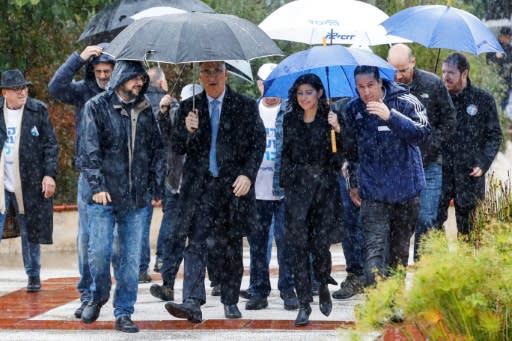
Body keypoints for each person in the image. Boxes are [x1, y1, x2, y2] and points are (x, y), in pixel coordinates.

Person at [164, 61, 265, 322]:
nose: (211, 77)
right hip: (199, 188)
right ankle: (192, 302)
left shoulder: (244, 105)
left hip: (232, 187)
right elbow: (176, 147)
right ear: (200, 75)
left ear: (225, 74)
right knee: (195, 243)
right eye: (206, 72)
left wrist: (248, 175)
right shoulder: (189, 107)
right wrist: (187, 130)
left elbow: (258, 144)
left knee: (230, 245)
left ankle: (230, 300)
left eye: (216, 71)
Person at [79, 60, 164, 333]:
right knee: (100, 252)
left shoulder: (146, 109)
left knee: (129, 261)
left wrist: (155, 186)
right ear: (122, 77)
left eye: (142, 78)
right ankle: (98, 293)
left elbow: (156, 151)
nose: (140, 83)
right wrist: (97, 186)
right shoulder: (96, 107)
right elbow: (89, 152)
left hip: (136, 199)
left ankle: (124, 312)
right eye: (135, 78)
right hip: (104, 196)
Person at [344, 65, 430, 287]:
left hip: (406, 190)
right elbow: (351, 152)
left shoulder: (406, 101)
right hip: (373, 192)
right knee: (373, 250)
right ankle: (377, 301)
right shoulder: (353, 109)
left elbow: (422, 133)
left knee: (398, 252)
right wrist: (353, 183)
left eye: (370, 86)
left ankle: (394, 300)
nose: (366, 92)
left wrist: (391, 116)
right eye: (360, 87)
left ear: (380, 83)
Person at [47, 44, 115, 318]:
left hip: (120, 175)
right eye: (98, 70)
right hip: (89, 175)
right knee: (87, 239)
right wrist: (78, 58)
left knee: (121, 245)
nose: (102, 76)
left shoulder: (124, 92)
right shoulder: (83, 92)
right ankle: (88, 294)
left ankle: (119, 293)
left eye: (107, 71)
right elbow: (55, 87)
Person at [280, 73, 343, 326]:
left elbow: (339, 158)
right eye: (300, 93)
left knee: (319, 247)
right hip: (297, 194)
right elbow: (285, 156)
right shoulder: (289, 120)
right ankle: (304, 302)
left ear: (319, 93)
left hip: (323, 193)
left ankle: (323, 284)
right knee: (297, 249)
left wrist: (337, 130)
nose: (304, 97)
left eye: (309, 92)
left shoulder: (330, 119)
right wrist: (292, 178)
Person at [387, 44, 456, 260]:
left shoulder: (432, 84)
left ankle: (423, 266)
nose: (398, 75)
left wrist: (432, 143)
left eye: (403, 70)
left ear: (413, 62)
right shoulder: (385, 86)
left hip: (429, 163)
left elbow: (449, 120)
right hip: (398, 166)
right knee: (400, 222)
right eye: (394, 70)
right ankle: (397, 269)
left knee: (426, 218)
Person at [242, 63, 298, 311]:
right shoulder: (250, 111)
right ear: (258, 83)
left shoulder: (291, 112)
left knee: (286, 242)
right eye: (266, 83)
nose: (271, 90)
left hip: (284, 188)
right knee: (257, 243)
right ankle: (258, 289)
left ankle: (288, 289)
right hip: (256, 188)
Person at [0, 69, 58, 292]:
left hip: (29, 181)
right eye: (17, 89)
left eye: (24, 87)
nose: (22, 92)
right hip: (1, 183)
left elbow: (50, 145)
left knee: (30, 229)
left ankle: (33, 275)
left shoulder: (37, 110)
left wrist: (49, 174)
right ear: (5, 92)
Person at [437, 53, 502, 236]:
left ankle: (468, 263)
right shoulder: (439, 98)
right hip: (442, 171)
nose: (445, 77)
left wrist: (483, 162)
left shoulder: (483, 100)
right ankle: (435, 263)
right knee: (432, 223)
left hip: (470, 173)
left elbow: (494, 135)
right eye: (443, 72)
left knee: (470, 229)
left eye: (451, 73)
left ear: (464, 74)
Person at [149, 83, 201, 302]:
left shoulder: (208, 120)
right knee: (173, 238)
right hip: (176, 187)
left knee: (201, 241)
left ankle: (211, 285)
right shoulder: (175, 119)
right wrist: (162, 113)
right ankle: (167, 283)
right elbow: (166, 139)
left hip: (199, 189)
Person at [138, 66, 169, 283]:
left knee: (142, 220)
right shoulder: (169, 102)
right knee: (171, 214)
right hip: (171, 168)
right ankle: (163, 257)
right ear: (162, 83)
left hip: (145, 170)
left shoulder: (138, 105)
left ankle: (141, 267)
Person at [486, 27, 512, 109]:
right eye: (507, 37)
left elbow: (509, 61)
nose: (508, 39)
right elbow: (488, 62)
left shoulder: (509, 48)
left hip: (507, 81)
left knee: (504, 103)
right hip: (495, 80)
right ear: (501, 36)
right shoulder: (493, 46)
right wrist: (496, 57)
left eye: (510, 38)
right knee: (495, 102)